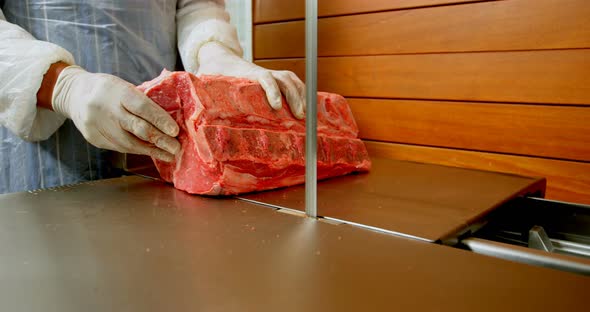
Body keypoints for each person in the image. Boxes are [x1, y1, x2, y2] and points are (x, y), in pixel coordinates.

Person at [0, 0, 305, 194]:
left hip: (165, 152)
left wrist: (213, 51)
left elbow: (194, 5)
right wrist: (64, 86)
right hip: (50, 150)